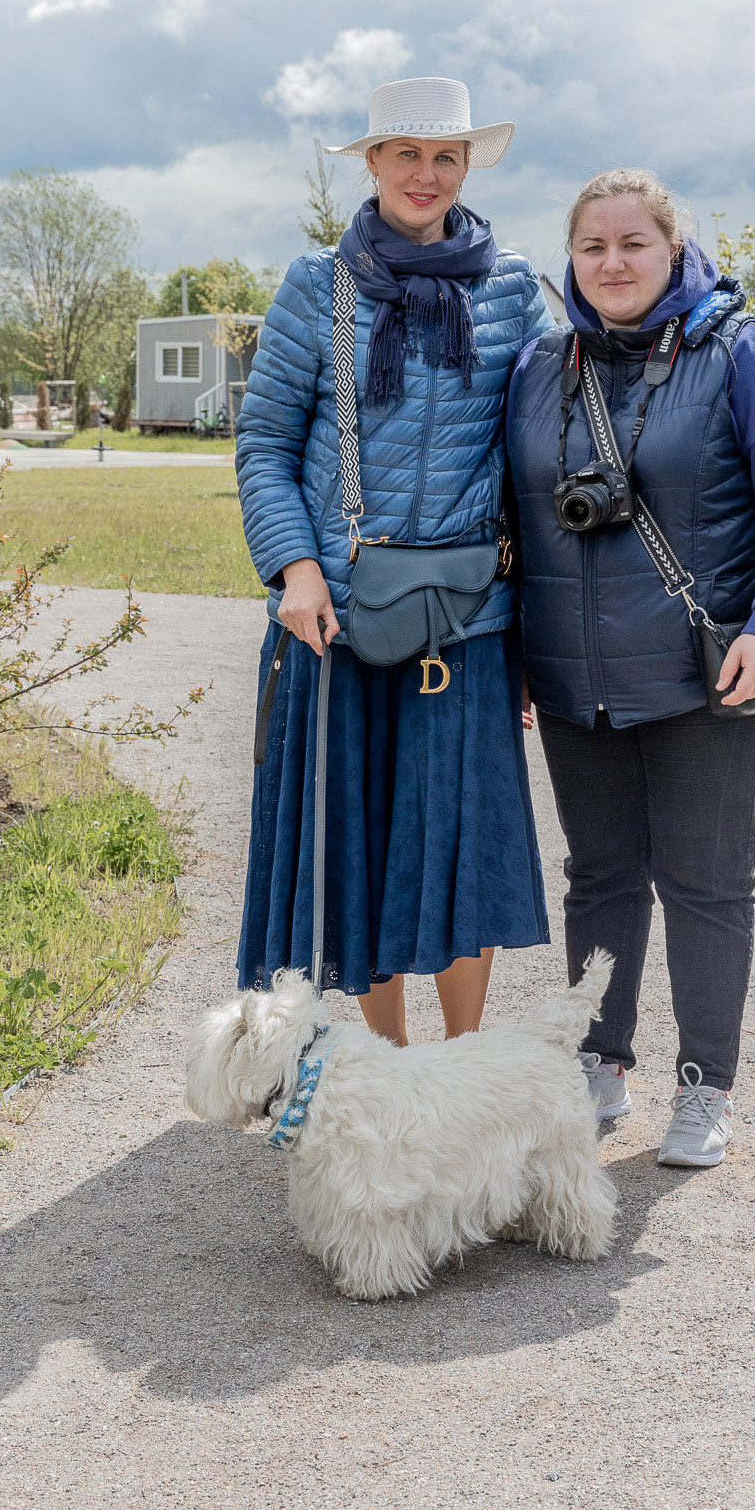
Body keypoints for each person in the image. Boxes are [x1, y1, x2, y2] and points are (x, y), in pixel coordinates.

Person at [506, 168, 755, 1166]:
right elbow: (512, 517)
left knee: (702, 879)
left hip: (711, 673)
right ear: (571, 259)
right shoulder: (537, 364)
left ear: (672, 251)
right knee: (597, 877)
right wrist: (512, 654)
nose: (610, 263)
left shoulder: (743, 354)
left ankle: (704, 1087)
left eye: (631, 244)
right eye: (591, 247)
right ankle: (596, 1066)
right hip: (572, 676)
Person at [235, 77, 554, 1043]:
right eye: (406, 153)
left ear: (467, 167)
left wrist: (541, 626)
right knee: (365, 849)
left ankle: (462, 1071)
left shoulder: (511, 289)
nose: (426, 174)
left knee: (461, 852)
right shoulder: (315, 287)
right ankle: (388, 1067)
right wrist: (296, 569)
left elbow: (534, 460)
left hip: (470, 618)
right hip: (336, 612)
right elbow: (263, 445)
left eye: (445, 156)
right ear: (371, 162)